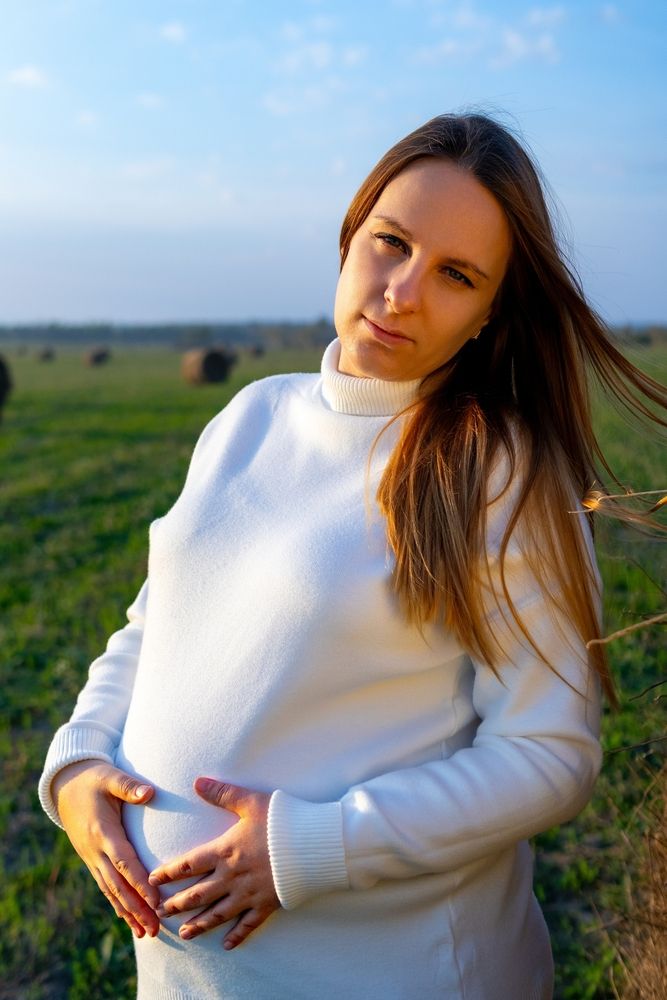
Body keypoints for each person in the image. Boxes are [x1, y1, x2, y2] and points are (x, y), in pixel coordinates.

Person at [38, 113, 666, 1000]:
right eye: (391, 243)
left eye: (455, 274)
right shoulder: (250, 415)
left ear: (491, 312)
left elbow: (549, 753)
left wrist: (309, 849)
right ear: (350, 234)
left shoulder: (497, 472)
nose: (402, 291)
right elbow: (155, 624)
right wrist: (75, 762)